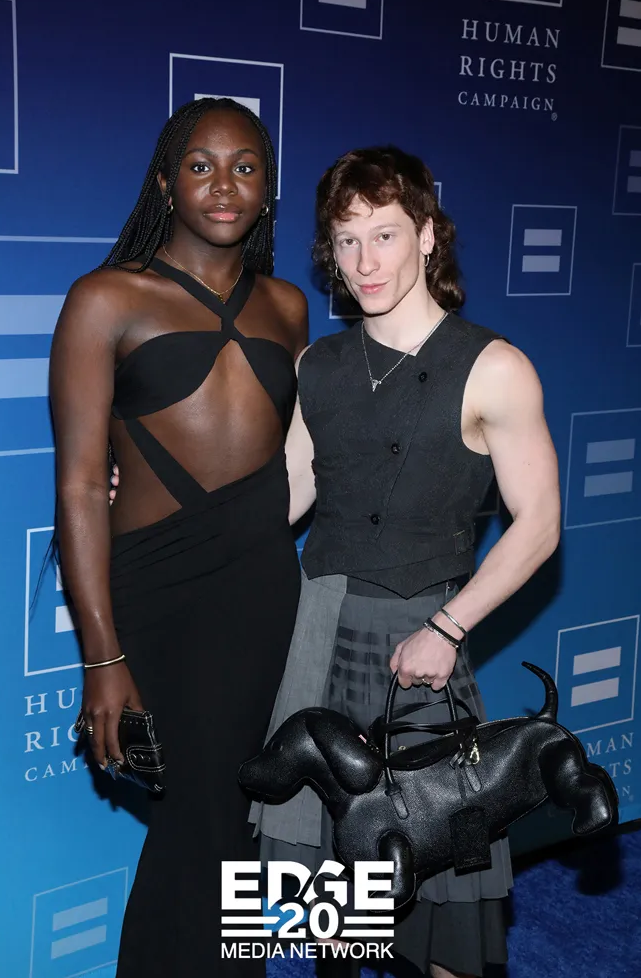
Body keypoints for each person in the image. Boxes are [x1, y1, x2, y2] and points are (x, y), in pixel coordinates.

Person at [250, 145, 561, 978]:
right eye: (345, 241)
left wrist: (448, 628)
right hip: (319, 633)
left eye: (383, 236)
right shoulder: (317, 366)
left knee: (442, 879)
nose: (363, 263)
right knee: (330, 893)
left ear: (427, 235)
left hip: (422, 639)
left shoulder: (493, 366)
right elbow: (284, 495)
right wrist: (155, 500)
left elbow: (538, 525)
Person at [49, 97, 307, 978]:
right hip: (155, 590)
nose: (223, 185)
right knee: (202, 817)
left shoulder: (290, 307)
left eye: (245, 166)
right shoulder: (105, 299)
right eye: (200, 166)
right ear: (165, 183)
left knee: (226, 818)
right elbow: (79, 486)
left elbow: (299, 461)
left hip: (263, 585)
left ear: (268, 188)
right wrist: (101, 657)